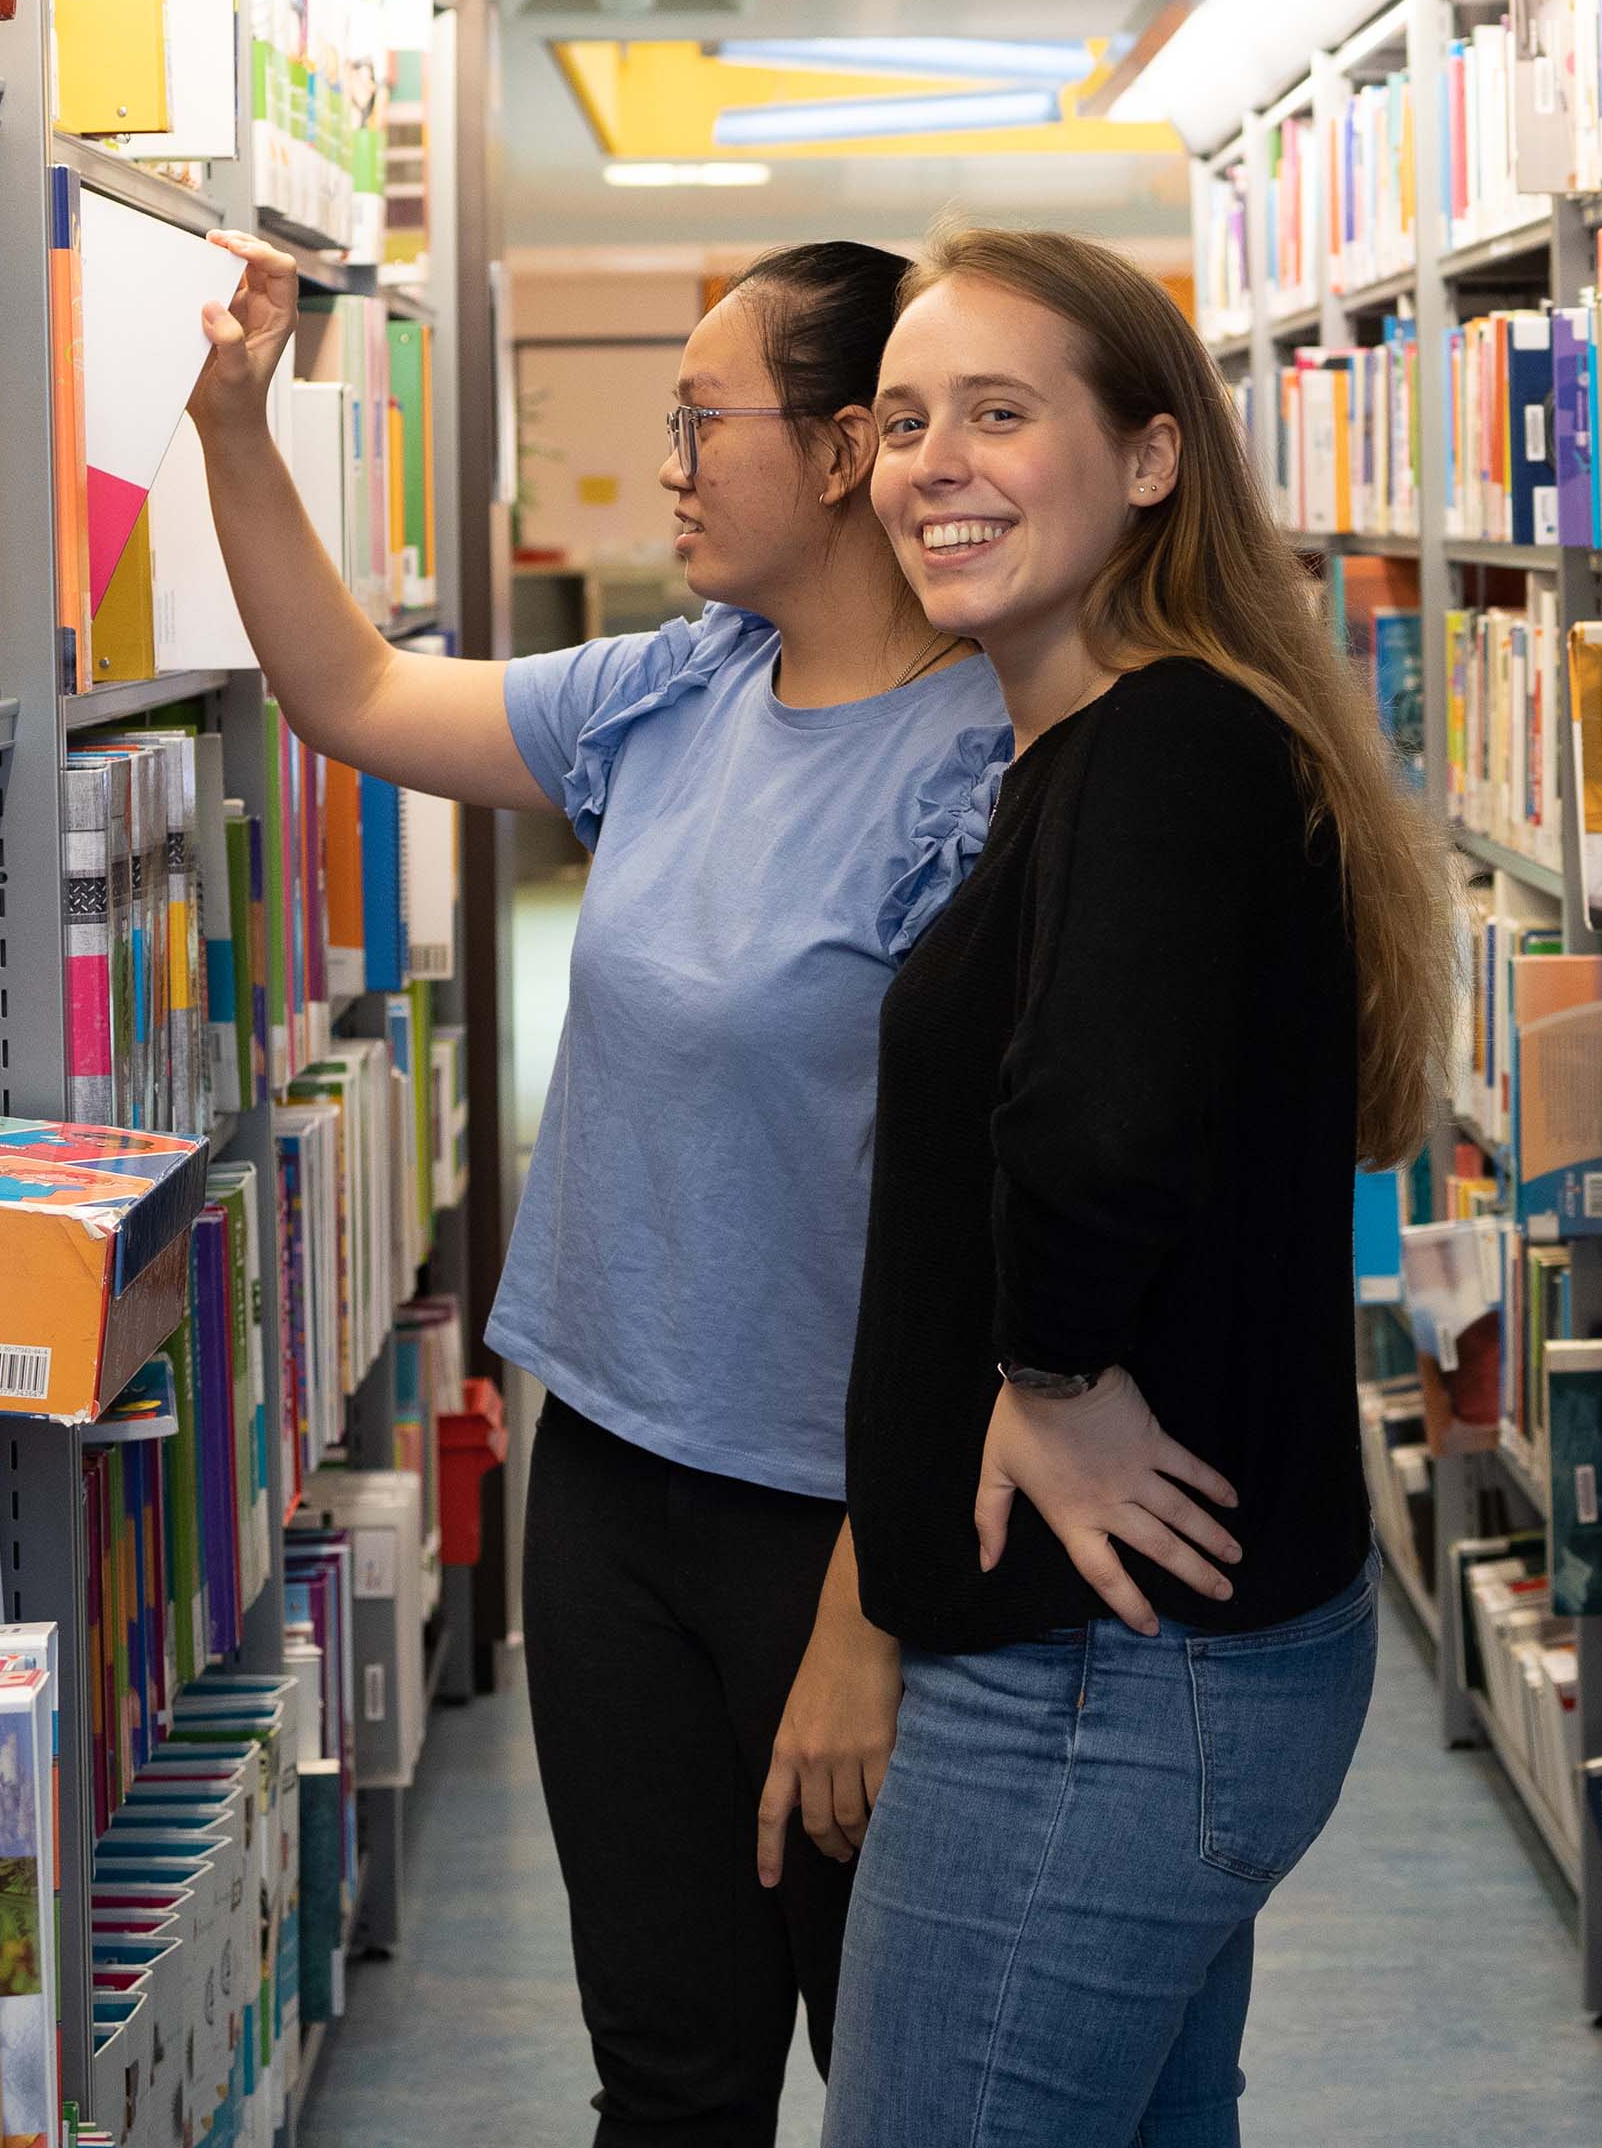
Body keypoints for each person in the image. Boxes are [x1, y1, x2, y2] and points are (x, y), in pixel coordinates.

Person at [186, 235, 1011, 2145]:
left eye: (696, 420)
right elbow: (354, 693)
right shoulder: (678, 688)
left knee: (898, 2084)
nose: (667, 465)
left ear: (833, 456)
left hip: (841, 1526)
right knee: (665, 2072)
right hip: (614, 1481)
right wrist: (236, 427)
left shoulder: (985, 766)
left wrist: (865, 1616)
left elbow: (989, 1240)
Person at [824, 227, 1455, 2146]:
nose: (934, 461)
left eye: (1001, 415)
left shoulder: (1159, 743)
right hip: (1134, 1665)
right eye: (906, 419)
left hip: (1103, 1679)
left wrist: (1057, 1380)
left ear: (1155, 457)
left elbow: (1091, 1132)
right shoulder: (1111, 739)